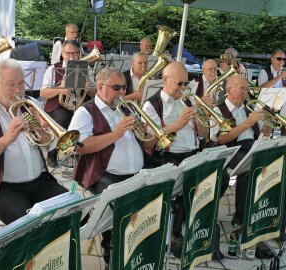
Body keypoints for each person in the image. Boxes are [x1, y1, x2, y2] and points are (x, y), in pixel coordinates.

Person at [69, 67, 155, 269]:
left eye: (124, 87)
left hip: (135, 173)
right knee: (122, 212)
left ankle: (136, 255)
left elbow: (150, 144)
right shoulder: (86, 111)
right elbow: (77, 147)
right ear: (100, 87)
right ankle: (112, 259)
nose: (122, 92)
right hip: (102, 174)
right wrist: (116, 133)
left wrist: (146, 131)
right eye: (116, 88)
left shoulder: (126, 108)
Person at [0, 59, 67, 225]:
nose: (18, 90)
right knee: (28, 226)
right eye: (11, 85)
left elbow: (48, 143)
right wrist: (7, 138)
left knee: (74, 212)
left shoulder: (30, 104)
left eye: (21, 83)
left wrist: (42, 132)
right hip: (2, 188)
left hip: (40, 180)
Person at [142, 62, 214, 258]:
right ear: (165, 80)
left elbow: (204, 135)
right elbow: (151, 140)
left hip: (193, 152)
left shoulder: (188, 100)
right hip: (167, 156)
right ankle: (175, 234)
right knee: (186, 181)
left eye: (186, 84)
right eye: (179, 84)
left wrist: (202, 117)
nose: (183, 89)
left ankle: (196, 222)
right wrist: (179, 123)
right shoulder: (152, 104)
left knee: (219, 177)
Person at [210, 74, 272, 227]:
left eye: (247, 89)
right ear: (229, 90)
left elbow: (265, 132)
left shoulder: (249, 108)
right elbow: (220, 139)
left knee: (274, 162)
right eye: (242, 89)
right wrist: (247, 123)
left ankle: (263, 210)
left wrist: (269, 119)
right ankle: (241, 218)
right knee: (250, 167)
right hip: (230, 149)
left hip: (252, 145)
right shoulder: (218, 110)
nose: (246, 92)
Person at [41, 40, 94, 167]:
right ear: (62, 53)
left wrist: (89, 88)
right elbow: (43, 93)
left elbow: (94, 94)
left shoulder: (86, 68)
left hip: (81, 105)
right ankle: (53, 152)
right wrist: (60, 89)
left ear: (79, 54)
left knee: (88, 120)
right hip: (59, 106)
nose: (71, 57)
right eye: (68, 53)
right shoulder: (54, 69)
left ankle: (81, 153)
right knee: (62, 119)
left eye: (75, 53)